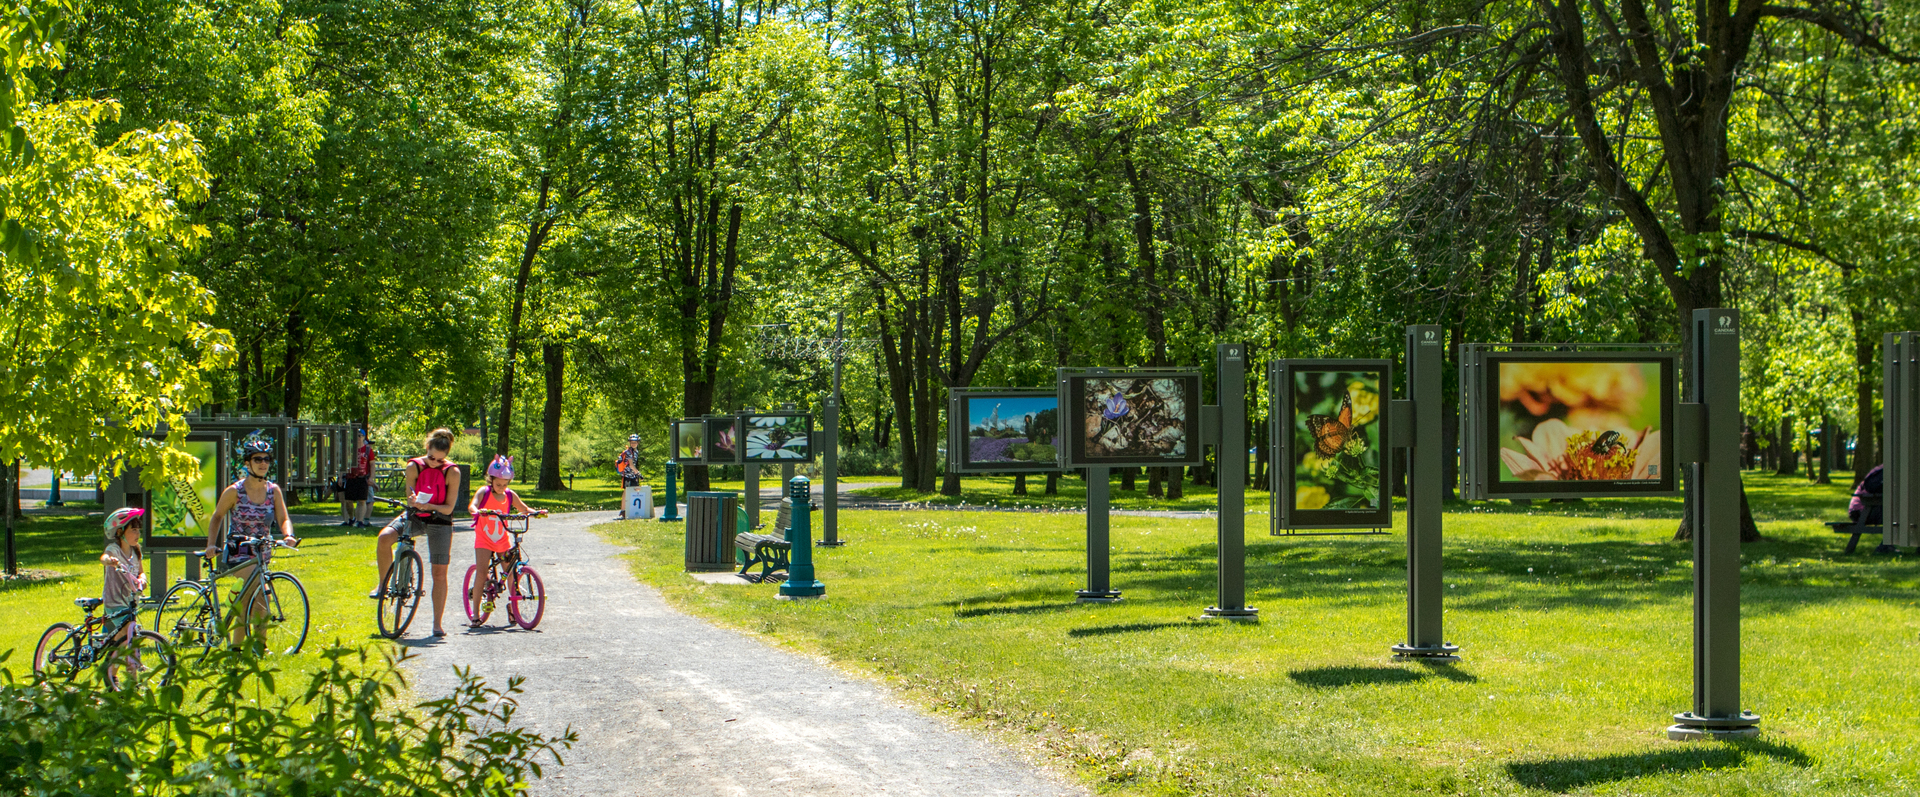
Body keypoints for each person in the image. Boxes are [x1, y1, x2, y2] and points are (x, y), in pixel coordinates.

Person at [204, 438, 300, 649]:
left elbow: (283, 518)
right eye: (257, 459)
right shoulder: (234, 491)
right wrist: (211, 545)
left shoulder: (272, 490)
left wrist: (288, 535)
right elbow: (217, 517)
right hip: (240, 550)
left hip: (261, 551)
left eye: (267, 459)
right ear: (247, 463)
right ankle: (236, 649)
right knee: (251, 596)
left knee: (261, 603)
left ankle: (259, 649)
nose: (263, 463)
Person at [371, 428, 464, 637]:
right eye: (431, 457)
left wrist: (430, 506)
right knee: (385, 537)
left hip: (439, 520)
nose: (434, 462)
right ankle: (384, 583)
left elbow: (448, 508)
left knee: (439, 572)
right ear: (426, 448)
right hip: (414, 516)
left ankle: (437, 624)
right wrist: (413, 502)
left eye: (440, 460)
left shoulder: (453, 472)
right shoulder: (414, 466)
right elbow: (409, 496)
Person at [467, 455, 547, 625]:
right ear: (491, 480)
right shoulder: (484, 492)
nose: (502, 488)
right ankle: (475, 613)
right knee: (482, 572)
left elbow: (523, 509)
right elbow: (472, 505)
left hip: (502, 539)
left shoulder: (509, 495)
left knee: (511, 573)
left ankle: (513, 607)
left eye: (505, 485)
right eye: (498, 484)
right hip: (484, 538)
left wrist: (536, 512)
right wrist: (477, 511)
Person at [101, 507, 148, 644]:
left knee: (126, 637)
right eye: (133, 530)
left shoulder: (136, 551)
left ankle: (113, 663)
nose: (137, 534)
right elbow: (104, 557)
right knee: (130, 633)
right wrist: (109, 561)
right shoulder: (114, 550)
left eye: (138, 530)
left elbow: (141, 571)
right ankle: (131, 665)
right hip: (115, 601)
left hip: (130, 601)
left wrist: (142, 578)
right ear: (120, 532)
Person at [341, 427, 377, 528]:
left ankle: (360, 521)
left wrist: (371, 478)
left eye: (360, 436)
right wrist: (340, 477)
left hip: (363, 477)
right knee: (348, 501)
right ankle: (351, 518)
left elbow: (372, 464)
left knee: (362, 500)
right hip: (350, 477)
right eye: (356, 436)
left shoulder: (368, 450)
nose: (358, 438)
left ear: (363, 437)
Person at [616, 434, 642, 519]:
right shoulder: (629, 452)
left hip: (633, 475)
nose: (633, 444)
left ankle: (634, 509)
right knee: (626, 491)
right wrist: (638, 473)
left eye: (635, 442)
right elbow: (631, 464)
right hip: (627, 475)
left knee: (637, 489)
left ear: (638, 443)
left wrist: (636, 473)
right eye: (632, 442)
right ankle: (623, 510)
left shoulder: (636, 452)